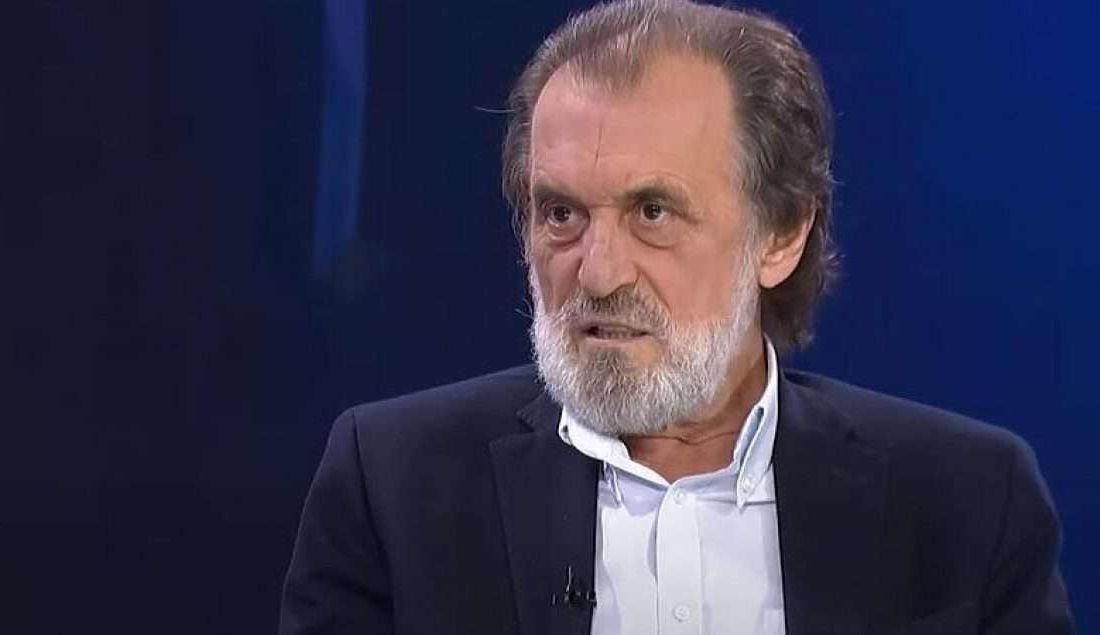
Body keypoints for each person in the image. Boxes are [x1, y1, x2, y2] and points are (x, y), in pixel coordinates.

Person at [279, 1, 1075, 633]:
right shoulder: (391, 486)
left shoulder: (967, 503)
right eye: (561, 213)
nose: (598, 272)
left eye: (652, 212)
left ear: (782, 233)